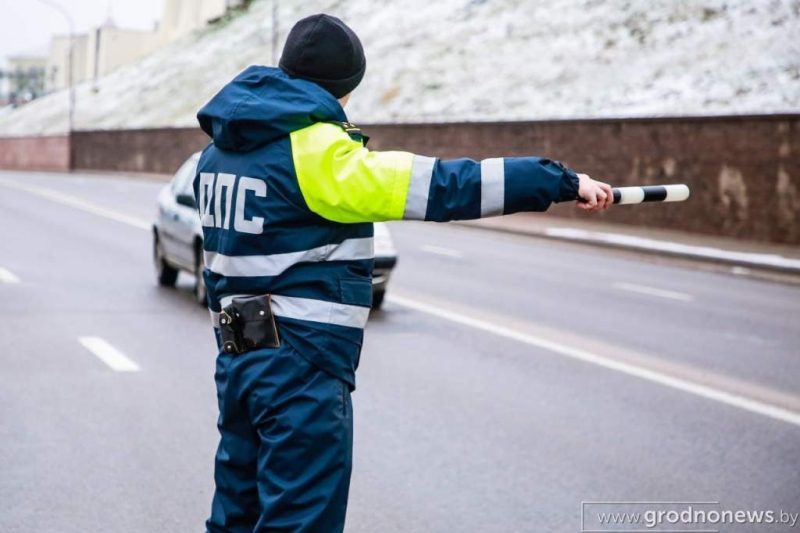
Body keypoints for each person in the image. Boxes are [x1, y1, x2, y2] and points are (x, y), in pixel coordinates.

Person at [194, 12, 612, 533]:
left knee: (236, 511)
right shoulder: (318, 153)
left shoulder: (217, 154)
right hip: (299, 363)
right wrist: (558, 181)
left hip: (238, 357)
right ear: (344, 89)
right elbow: (444, 186)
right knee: (300, 518)